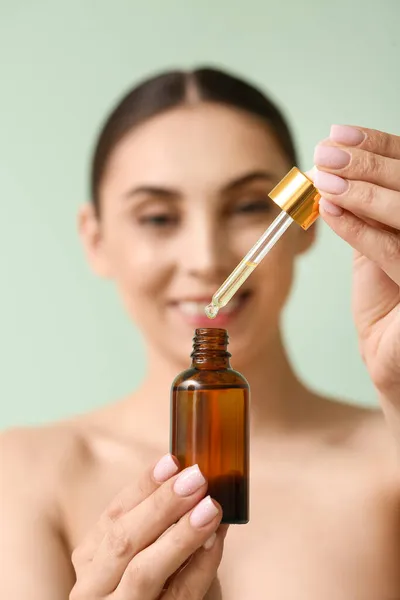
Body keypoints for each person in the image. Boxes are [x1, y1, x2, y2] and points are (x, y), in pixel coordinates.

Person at [1, 66, 400, 600]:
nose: (207, 260)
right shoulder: (21, 475)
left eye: (249, 206)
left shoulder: (389, 458)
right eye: (158, 217)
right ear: (95, 239)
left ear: (304, 223)